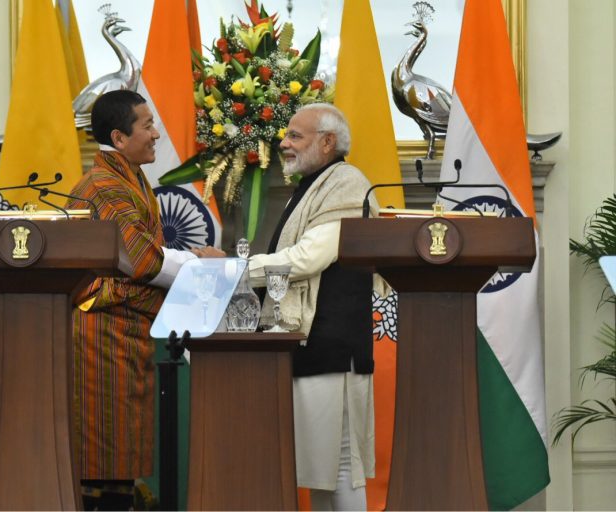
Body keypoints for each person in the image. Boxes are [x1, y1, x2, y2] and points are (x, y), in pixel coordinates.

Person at [65, 89, 222, 510]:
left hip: (124, 330)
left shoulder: (125, 177)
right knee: (102, 454)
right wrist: (199, 261)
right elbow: (142, 260)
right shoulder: (104, 186)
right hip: (102, 334)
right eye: (147, 125)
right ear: (119, 138)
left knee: (120, 449)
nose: (156, 134)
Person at [247, 103, 383, 511]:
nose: (283, 143)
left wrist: (235, 270)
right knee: (320, 472)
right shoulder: (315, 183)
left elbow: (307, 259)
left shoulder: (346, 184)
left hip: (333, 344)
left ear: (327, 142)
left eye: (295, 136)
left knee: (340, 466)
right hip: (311, 342)